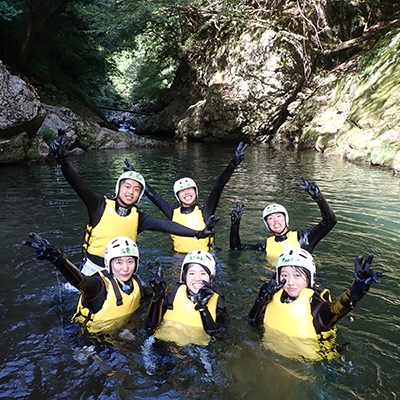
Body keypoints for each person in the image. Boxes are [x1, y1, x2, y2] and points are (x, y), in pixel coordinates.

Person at [50, 129, 218, 275]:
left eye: (136, 189)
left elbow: (168, 226)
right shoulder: (99, 204)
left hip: (124, 272)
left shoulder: (139, 218)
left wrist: (199, 234)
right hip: (92, 269)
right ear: (119, 188)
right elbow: (79, 185)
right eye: (127, 186)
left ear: (139, 196)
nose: (131, 191)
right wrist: (63, 162)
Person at [247, 247, 384, 360]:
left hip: (310, 367)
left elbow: (335, 310)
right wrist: (260, 301)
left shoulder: (317, 308)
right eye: (284, 275)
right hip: (272, 355)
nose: (290, 282)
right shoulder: (273, 297)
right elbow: (252, 324)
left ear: (310, 278)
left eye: (297, 275)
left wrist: (355, 292)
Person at [123, 142, 248, 253]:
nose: (186, 193)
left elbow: (217, 187)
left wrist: (232, 165)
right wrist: (135, 176)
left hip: (205, 258)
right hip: (179, 259)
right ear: (178, 196)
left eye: (189, 189)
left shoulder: (205, 210)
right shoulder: (172, 212)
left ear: (196, 192)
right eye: (182, 191)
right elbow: (153, 196)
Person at [23, 233, 145, 334]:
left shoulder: (137, 284)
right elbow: (81, 280)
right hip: (88, 340)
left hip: (118, 331)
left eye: (130, 261)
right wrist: (60, 261)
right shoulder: (99, 286)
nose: (125, 268)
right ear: (109, 263)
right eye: (119, 262)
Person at [229, 177, 337, 263]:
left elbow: (330, 222)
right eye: (270, 218)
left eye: (279, 216)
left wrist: (318, 197)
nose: (275, 220)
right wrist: (235, 225)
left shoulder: (304, 238)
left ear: (286, 219)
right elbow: (236, 249)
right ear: (267, 224)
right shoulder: (265, 246)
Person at [144, 249, 226, 346]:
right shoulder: (171, 296)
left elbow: (216, 337)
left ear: (211, 279)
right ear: (184, 277)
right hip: (165, 346)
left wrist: (203, 309)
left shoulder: (219, 304)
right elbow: (149, 328)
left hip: (198, 350)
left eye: (203, 273)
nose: (197, 278)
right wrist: (157, 298)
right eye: (191, 273)